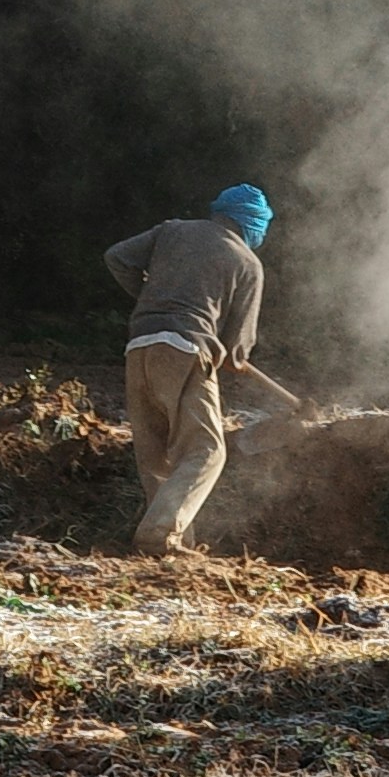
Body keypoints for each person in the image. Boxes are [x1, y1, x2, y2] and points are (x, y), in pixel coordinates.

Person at [101, 185, 270, 556]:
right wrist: (230, 352)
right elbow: (237, 351)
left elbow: (117, 257)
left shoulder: (172, 230)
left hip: (139, 345)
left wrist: (151, 300)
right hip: (185, 350)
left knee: (155, 453)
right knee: (208, 450)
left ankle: (172, 542)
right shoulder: (247, 263)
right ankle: (159, 535)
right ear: (253, 225)